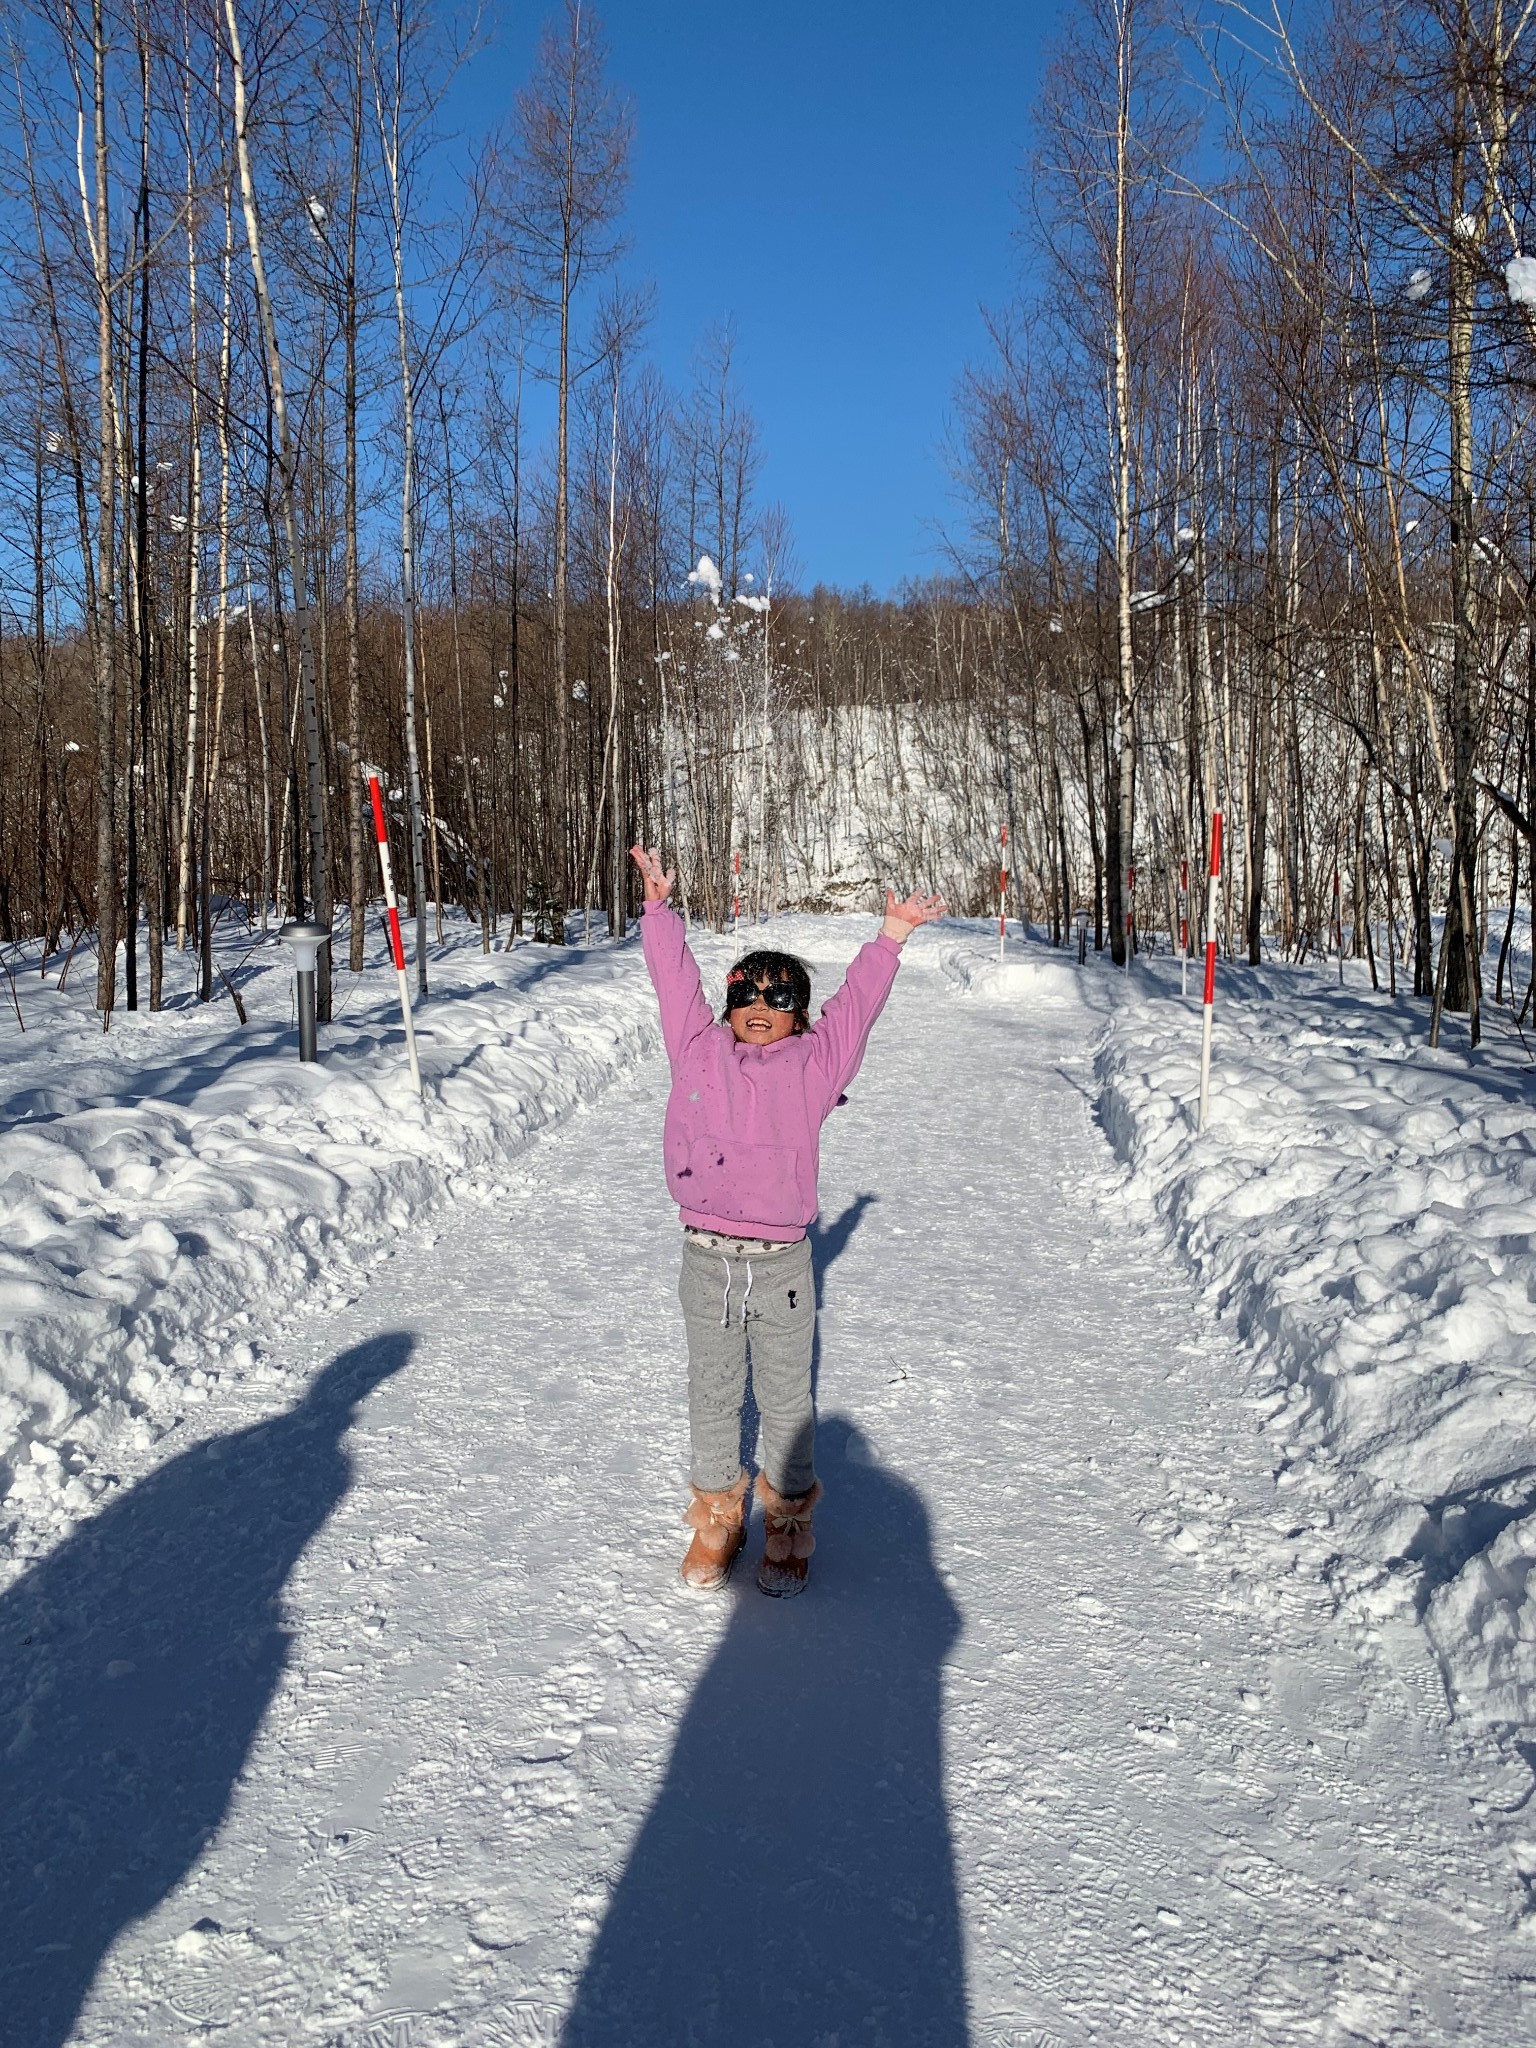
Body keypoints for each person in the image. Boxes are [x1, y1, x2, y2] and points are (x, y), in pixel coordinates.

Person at [630, 845, 945, 1598]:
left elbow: (857, 1008)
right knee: (710, 1390)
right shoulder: (698, 1051)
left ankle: (788, 1522)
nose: (760, 1011)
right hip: (705, 1256)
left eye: (778, 999)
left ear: (798, 1012)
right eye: (747, 998)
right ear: (731, 1005)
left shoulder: (815, 1066)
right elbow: (673, 985)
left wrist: (891, 935)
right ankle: (717, 1515)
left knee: (784, 1400)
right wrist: (659, 912)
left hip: (780, 1266)